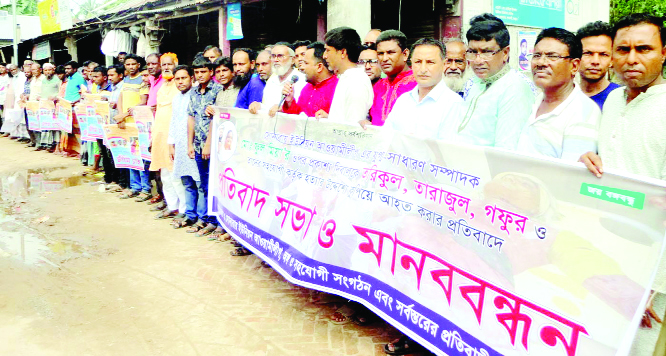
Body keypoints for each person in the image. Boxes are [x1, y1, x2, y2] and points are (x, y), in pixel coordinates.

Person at [579, 13, 666, 353]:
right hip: (608, 255)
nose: (631, 59)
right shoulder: (614, 100)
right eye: (623, 49)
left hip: (652, 274)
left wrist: (651, 286)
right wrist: (587, 160)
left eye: (643, 49)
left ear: (663, 53)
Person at [516, 27, 601, 161]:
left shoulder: (583, 112)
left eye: (552, 56)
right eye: (537, 55)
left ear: (574, 66)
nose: (541, 63)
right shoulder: (537, 99)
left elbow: (571, 175)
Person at [452, 13, 535, 149]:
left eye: (486, 52)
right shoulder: (474, 82)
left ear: (505, 53)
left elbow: (506, 150)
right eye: (472, 52)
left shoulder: (515, 88)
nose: (478, 60)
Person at [385, 38, 463, 138]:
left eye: (430, 62)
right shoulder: (403, 100)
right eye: (418, 62)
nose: (423, 69)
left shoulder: (454, 104)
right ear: (411, 64)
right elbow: (386, 137)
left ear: (444, 64)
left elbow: (448, 149)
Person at [186, 57, 222, 237]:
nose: (200, 75)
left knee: (213, 184)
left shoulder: (217, 90)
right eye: (197, 72)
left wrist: (208, 144)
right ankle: (208, 219)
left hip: (213, 146)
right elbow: (191, 118)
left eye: (203, 71)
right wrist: (189, 144)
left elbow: (216, 119)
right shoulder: (193, 92)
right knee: (204, 184)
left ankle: (215, 222)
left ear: (210, 72)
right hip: (198, 145)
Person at [149, 53, 185, 220]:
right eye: (163, 65)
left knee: (176, 174)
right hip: (160, 136)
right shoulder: (161, 85)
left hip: (174, 136)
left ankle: (184, 210)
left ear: (176, 64)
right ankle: (172, 206)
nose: (166, 67)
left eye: (169, 64)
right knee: (165, 173)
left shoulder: (180, 86)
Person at [169, 65, 202, 232]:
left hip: (195, 144)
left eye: (184, 78)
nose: (180, 82)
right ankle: (190, 214)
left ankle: (202, 216)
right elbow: (174, 122)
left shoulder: (196, 95)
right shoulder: (176, 98)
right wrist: (171, 144)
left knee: (199, 181)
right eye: (177, 79)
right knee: (187, 181)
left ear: (192, 78)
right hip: (181, 145)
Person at [115, 54, 151, 200]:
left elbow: (143, 102)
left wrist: (124, 114)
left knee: (141, 157)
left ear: (138, 65)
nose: (130, 67)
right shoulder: (126, 80)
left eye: (133, 64)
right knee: (131, 156)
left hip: (139, 123)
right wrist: (120, 116)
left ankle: (145, 189)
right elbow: (120, 98)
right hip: (127, 123)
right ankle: (134, 187)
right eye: (128, 64)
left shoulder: (142, 80)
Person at [270, 41, 338, 117]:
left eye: (306, 63)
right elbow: (298, 116)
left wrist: (329, 118)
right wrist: (289, 101)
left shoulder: (337, 88)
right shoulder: (307, 87)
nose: (302, 67)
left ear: (319, 67)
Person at [323, 27, 374, 124]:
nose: (324, 56)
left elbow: (353, 127)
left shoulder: (356, 82)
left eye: (328, 50)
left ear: (342, 52)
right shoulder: (346, 77)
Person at [368, 30, 416, 126]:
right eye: (381, 53)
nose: (384, 58)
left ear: (405, 54)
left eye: (390, 52)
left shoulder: (418, 84)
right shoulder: (378, 86)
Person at [249, 42, 305, 114]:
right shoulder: (271, 80)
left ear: (293, 60)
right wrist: (258, 106)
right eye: (273, 56)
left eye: (280, 56)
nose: (276, 60)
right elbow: (268, 108)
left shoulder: (302, 80)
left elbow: (303, 110)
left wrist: (283, 108)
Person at [576, 21, 621, 109]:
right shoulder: (565, 97)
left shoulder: (621, 99)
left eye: (603, 54)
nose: (595, 61)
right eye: (588, 53)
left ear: (611, 60)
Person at [102, 64, 127, 192]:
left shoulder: (123, 87)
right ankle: (117, 180)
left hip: (121, 125)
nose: (109, 77)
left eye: (112, 75)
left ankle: (122, 182)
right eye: (109, 75)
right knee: (113, 154)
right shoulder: (113, 88)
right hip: (113, 125)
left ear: (120, 75)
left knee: (121, 154)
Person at [37, 63, 62, 152]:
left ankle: (56, 144)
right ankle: (48, 144)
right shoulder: (43, 80)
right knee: (47, 125)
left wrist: (55, 97)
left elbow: (60, 91)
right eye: (46, 70)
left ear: (53, 70)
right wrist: (39, 97)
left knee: (55, 126)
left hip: (54, 106)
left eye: (49, 70)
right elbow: (42, 91)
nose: (47, 72)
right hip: (45, 107)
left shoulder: (57, 79)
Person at [27, 62, 44, 148]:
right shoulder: (33, 79)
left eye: (34, 69)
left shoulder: (43, 79)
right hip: (31, 104)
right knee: (33, 124)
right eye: (32, 70)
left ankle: (40, 143)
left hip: (40, 104)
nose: (32, 71)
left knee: (39, 125)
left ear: (40, 70)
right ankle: (35, 141)